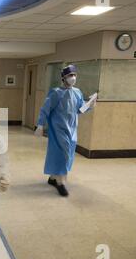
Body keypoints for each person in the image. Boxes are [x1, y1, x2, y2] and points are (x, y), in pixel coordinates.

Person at [34, 64, 96, 197]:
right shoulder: (56, 93)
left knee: (66, 153)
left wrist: (90, 104)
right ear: (63, 77)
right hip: (58, 130)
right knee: (63, 154)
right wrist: (40, 125)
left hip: (72, 129)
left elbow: (79, 110)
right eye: (70, 76)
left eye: (74, 75)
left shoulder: (77, 92)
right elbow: (45, 109)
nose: (73, 78)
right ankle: (60, 183)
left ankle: (52, 177)